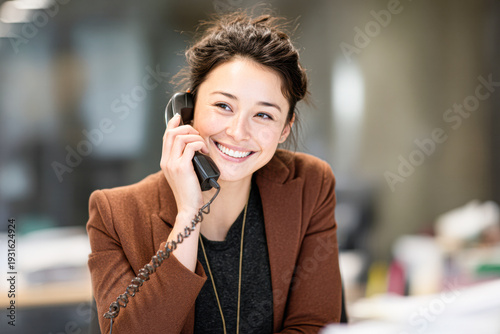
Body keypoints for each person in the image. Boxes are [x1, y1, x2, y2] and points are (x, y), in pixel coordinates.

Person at [86, 10, 342, 334]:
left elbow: (314, 325)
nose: (238, 132)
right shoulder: (115, 215)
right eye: (223, 106)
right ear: (187, 110)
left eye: (263, 115)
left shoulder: (309, 185)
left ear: (285, 129)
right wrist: (189, 214)